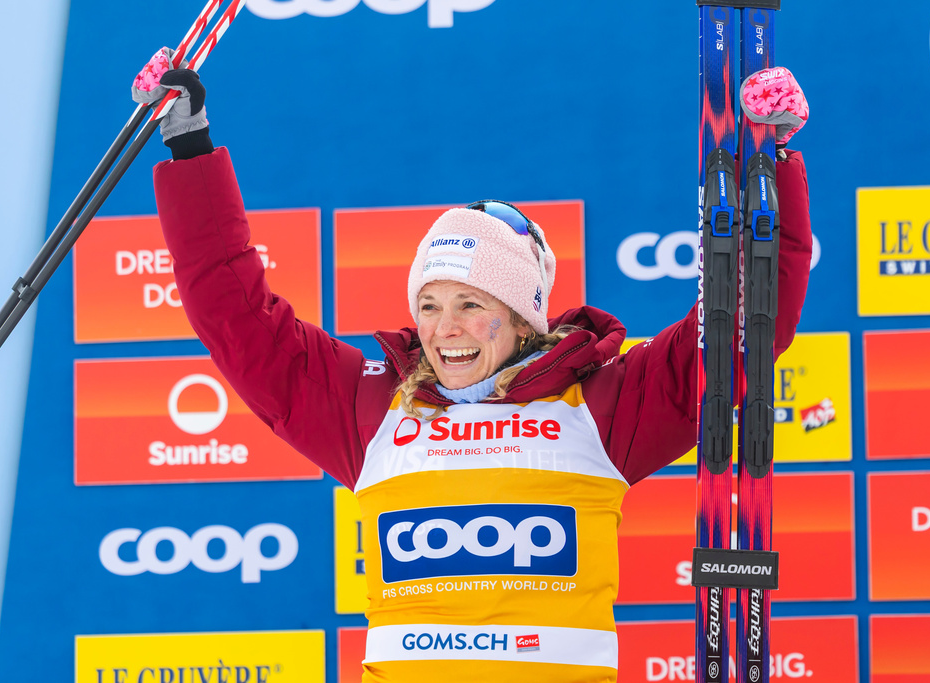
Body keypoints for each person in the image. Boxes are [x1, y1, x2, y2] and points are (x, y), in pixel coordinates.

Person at [134, 48, 812, 683]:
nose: (445, 329)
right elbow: (236, 315)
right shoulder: (370, 409)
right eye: (428, 304)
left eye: (471, 302)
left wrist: (770, 158)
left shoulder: (602, 404)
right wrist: (188, 143)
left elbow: (742, 332)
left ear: (524, 318)